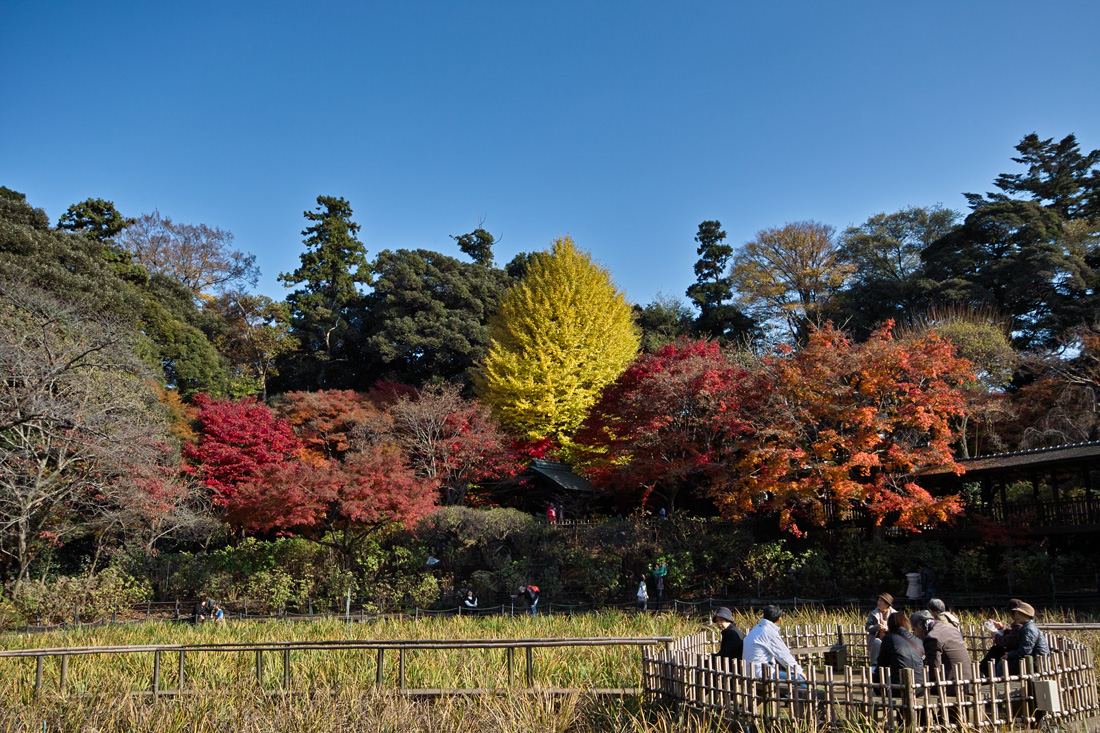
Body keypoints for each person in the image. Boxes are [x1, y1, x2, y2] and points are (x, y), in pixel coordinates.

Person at [743, 605, 804, 680]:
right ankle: (810, 692)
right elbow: (783, 655)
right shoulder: (768, 632)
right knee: (798, 678)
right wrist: (799, 671)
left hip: (749, 671)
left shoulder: (756, 629)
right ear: (779, 620)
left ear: (763, 616)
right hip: (762, 672)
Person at [911, 610, 971, 684]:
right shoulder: (952, 629)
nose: (915, 634)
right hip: (968, 680)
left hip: (952, 684)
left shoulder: (932, 637)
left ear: (920, 624)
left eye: (914, 630)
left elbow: (934, 669)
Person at [993, 601, 1049, 674]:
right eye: (1015, 613)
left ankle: (1005, 685)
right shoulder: (1026, 627)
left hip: (1036, 663)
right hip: (1032, 659)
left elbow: (1025, 651)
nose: (1016, 616)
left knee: (1002, 665)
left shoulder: (1029, 629)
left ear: (1027, 615)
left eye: (1019, 613)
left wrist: (1009, 655)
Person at [875, 611, 925, 686]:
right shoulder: (918, 640)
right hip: (919, 687)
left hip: (898, 687)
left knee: (874, 674)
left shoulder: (888, 639)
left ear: (890, 625)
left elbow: (882, 663)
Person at [865, 592, 895, 665]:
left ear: (887, 604)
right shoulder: (873, 613)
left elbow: (897, 628)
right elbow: (867, 627)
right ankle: (875, 665)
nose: (878, 602)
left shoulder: (894, 614)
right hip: (876, 638)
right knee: (876, 643)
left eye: (881, 601)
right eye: (878, 600)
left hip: (890, 639)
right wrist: (877, 627)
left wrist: (888, 629)